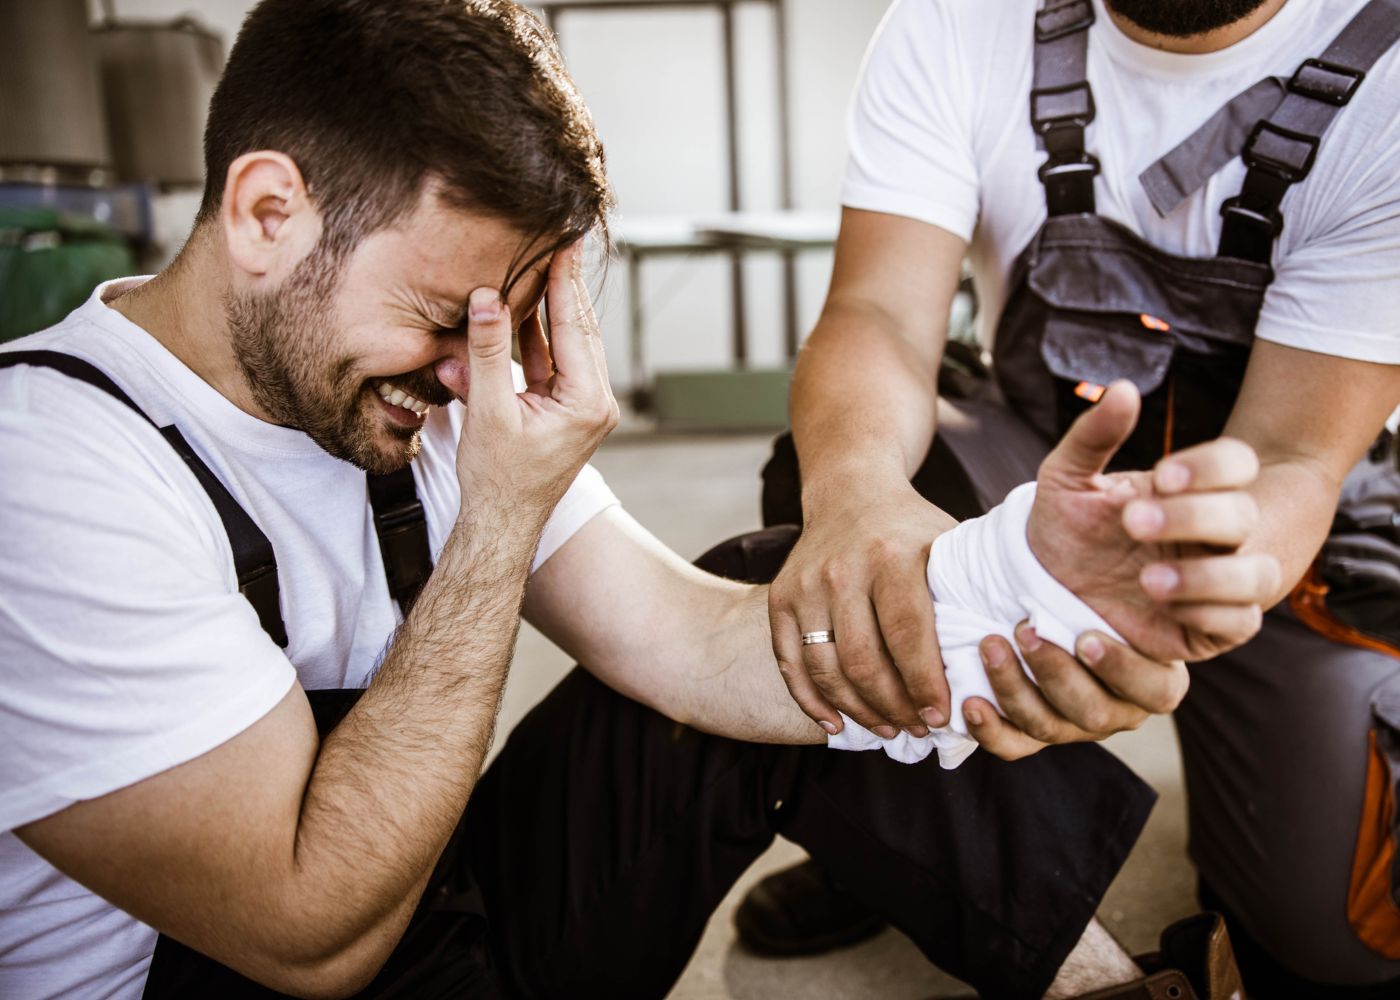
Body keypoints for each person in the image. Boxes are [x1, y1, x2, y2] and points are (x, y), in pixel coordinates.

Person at [0, 2, 1277, 998]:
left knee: (795, 583)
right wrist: (501, 517)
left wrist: (1027, 595)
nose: (467, 374)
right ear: (269, 211)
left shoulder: (425, 395)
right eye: (442, 316)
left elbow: (692, 641)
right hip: (278, 951)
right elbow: (306, 933)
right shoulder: (51, 468)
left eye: (494, 325)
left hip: (436, 910)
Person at [742, 0, 1400, 995]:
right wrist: (856, 496)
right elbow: (876, 313)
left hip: (1278, 532)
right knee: (834, 484)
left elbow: (1292, 455)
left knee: (1338, 945)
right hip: (1028, 468)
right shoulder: (952, 24)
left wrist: (1200, 584)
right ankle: (883, 817)